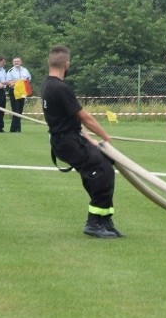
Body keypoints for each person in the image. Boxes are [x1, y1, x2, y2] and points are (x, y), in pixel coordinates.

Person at [41, 45, 124, 238]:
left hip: (70, 139)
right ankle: (94, 224)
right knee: (100, 172)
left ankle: (105, 221)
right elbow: (85, 117)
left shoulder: (48, 84)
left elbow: (72, 121)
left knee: (105, 168)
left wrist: (89, 139)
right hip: (67, 142)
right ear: (67, 64)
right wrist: (106, 138)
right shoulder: (60, 88)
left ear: (49, 62)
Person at [5, 56, 32, 133]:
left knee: (20, 110)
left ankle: (17, 129)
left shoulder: (25, 70)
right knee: (15, 110)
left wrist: (24, 82)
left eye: (18, 61)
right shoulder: (10, 71)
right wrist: (18, 83)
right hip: (14, 91)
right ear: (13, 63)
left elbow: (28, 78)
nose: (16, 63)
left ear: (21, 62)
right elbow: (9, 82)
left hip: (22, 92)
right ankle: (14, 129)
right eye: (15, 61)